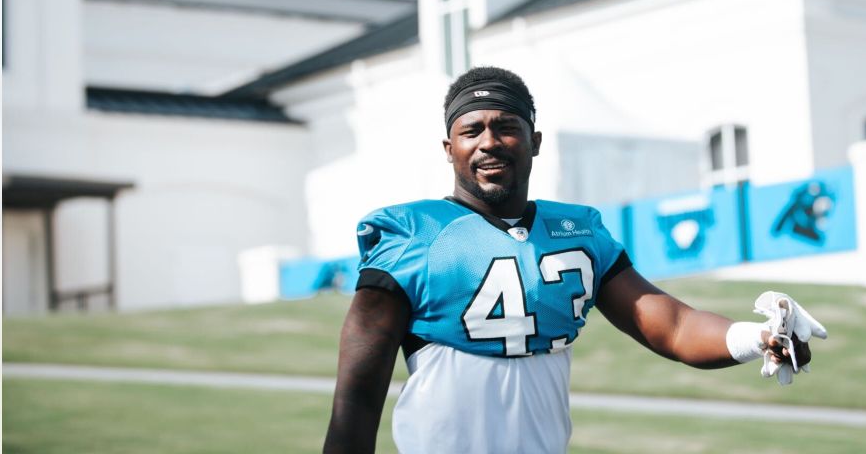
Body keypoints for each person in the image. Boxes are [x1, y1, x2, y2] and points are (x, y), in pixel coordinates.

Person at [323, 66, 812, 454]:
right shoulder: (412, 234)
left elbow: (674, 326)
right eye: (471, 130)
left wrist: (758, 337)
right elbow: (357, 398)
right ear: (450, 150)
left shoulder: (576, 232)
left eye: (506, 127)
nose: (489, 141)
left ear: (535, 142)